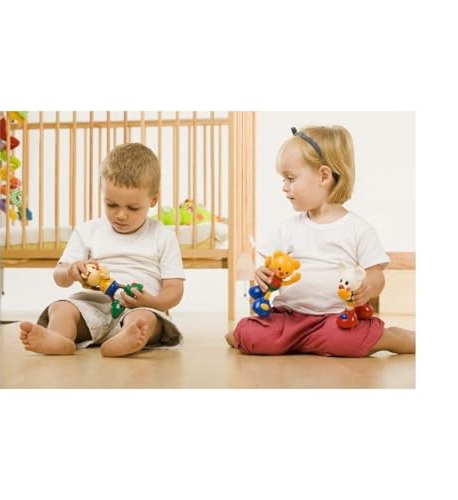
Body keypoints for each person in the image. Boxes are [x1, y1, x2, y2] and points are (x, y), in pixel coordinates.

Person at [226, 126, 415, 357]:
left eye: (291, 178)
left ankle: (393, 337)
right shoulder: (289, 227)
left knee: (348, 339)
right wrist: (263, 275)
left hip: (335, 319)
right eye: (284, 179)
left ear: (323, 176)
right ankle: (299, 341)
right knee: (255, 336)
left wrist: (368, 287)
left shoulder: (358, 228)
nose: (284, 187)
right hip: (289, 317)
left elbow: (376, 275)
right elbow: (269, 268)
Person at [20, 143, 185, 357]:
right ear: (103, 193)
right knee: (60, 308)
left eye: (133, 208)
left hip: (138, 307)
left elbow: (174, 289)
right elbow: (59, 277)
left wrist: (154, 302)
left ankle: (125, 339)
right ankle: (59, 339)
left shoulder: (163, 236)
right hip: (92, 306)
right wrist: (71, 270)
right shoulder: (88, 230)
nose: (121, 215)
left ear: (153, 199)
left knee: (146, 320)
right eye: (111, 204)